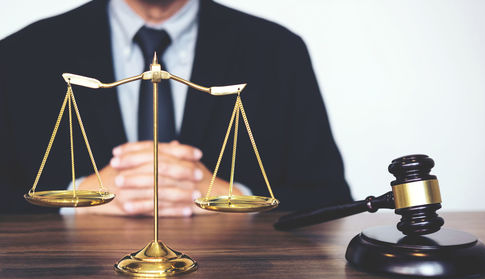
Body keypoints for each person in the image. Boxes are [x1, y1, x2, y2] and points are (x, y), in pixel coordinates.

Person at [0, 0, 352, 216]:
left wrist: (234, 199)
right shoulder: (20, 55)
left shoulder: (278, 52)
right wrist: (74, 202)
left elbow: (330, 201)